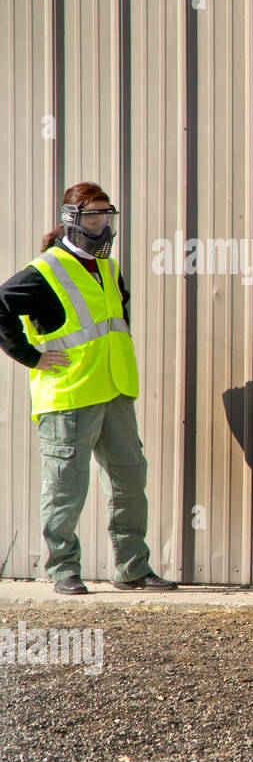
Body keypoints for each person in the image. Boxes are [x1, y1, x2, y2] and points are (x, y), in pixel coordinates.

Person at [0, 182, 176, 594]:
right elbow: (2, 306)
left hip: (114, 391)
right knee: (66, 488)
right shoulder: (45, 270)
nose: (100, 225)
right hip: (68, 396)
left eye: (105, 216)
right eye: (92, 216)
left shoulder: (110, 268)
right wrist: (31, 357)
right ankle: (63, 569)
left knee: (130, 480)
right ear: (72, 221)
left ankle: (133, 568)